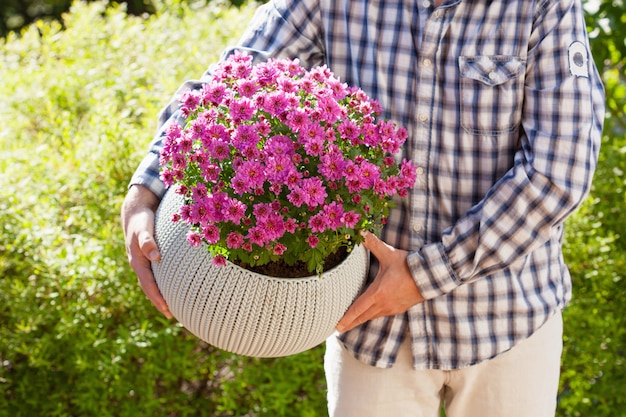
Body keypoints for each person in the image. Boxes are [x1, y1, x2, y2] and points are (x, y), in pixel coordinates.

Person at [121, 0, 605, 414]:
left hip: (506, 317)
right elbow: (239, 74)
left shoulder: (544, 5)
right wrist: (146, 187)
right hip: (371, 324)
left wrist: (422, 276)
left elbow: (557, 171)